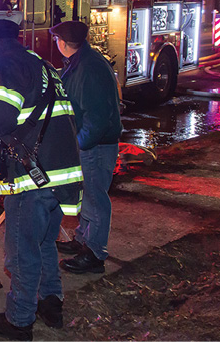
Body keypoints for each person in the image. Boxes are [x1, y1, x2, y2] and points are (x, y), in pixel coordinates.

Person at [0, 10, 83, 341]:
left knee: (22, 253)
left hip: (32, 179)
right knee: (44, 243)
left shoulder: (6, 65)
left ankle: (19, 321)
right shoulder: (41, 64)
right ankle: (51, 303)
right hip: (60, 175)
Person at [50, 20, 123, 275]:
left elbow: (97, 119)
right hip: (92, 144)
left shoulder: (88, 69)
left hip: (95, 147)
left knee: (94, 198)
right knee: (88, 198)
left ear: (62, 42)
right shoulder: (82, 62)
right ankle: (83, 239)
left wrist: (78, 146)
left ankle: (94, 253)